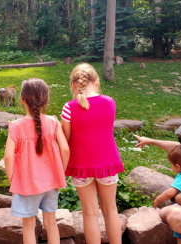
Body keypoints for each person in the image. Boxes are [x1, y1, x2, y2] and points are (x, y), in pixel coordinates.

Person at [61, 63, 124, 244]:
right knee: (111, 210)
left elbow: (66, 138)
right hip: (107, 165)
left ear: (73, 84)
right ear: (96, 82)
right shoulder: (109, 102)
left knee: (89, 213)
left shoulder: (68, 108)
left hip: (81, 167)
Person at [4, 78, 69, 244]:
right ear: (45, 100)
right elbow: (65, 149)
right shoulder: (53, 122)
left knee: (28, 226)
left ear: (22, 100)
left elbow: (8, 156)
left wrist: (13, 180)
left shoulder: (16, 126)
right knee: (51, 224)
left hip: (27, 185)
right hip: (51, 183)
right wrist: (61, 174)